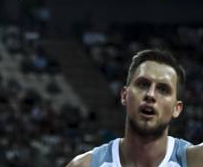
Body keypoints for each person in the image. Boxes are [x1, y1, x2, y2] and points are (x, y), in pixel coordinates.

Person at [66, 49, 203, 167]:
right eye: (143, 84)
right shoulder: (84, 165)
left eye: (163, 89)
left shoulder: (196, 160)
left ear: (176, 108)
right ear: (124, 95)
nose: (150, 95)